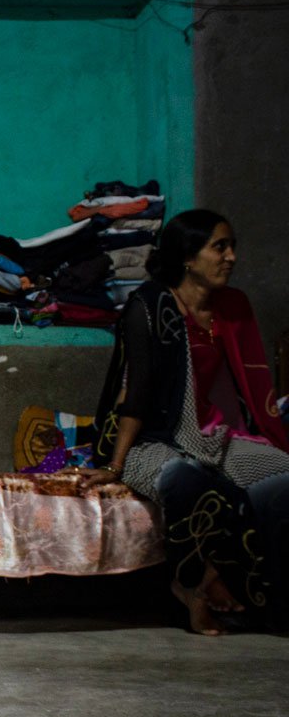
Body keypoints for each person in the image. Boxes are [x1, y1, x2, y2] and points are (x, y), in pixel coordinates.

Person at [81, 210, 289, 634]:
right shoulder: (150, 306)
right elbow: (136, 394)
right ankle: (191, 586)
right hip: (153, 440)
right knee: (188, 481)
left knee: (282, 480)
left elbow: (248, 386)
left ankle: (240, 585)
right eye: (220, 247)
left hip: (216, 437)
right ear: (189, 258)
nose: (231, 257)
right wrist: (115, 465)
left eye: (232, 247)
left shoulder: (233, 307)